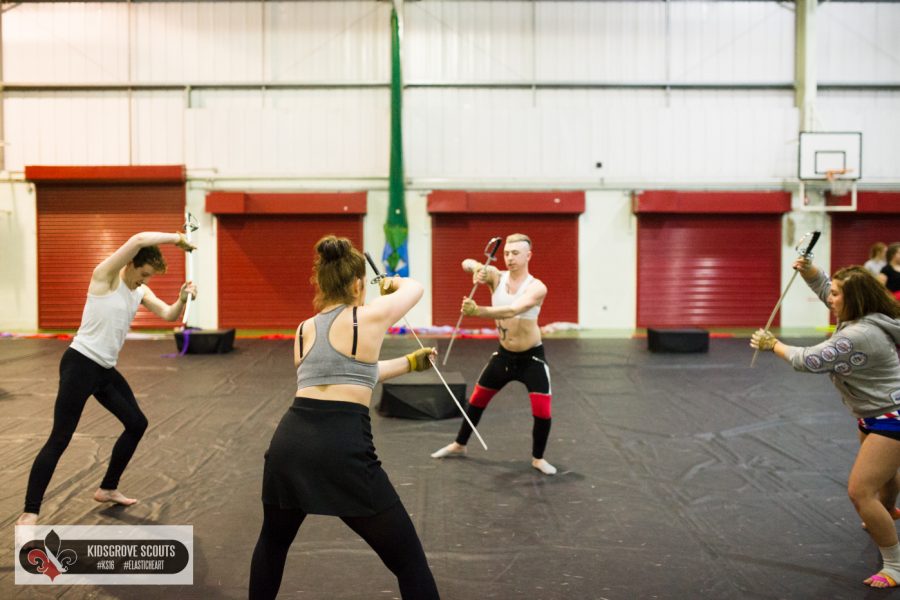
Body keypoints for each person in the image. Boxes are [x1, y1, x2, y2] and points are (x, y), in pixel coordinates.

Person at [248, 236, 440, 600]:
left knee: (272, 543)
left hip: (289, 446)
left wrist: (409, 364)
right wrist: (391, 284)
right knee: (410, 562)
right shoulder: (367, 317)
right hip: (341, 450)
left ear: (321, 283)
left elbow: (348, 374)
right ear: (356, 284)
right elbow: (415, 287)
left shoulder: (305, 328)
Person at [16, 231, 197, 526]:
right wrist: (177, 238)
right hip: (79, 365)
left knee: (137, 423)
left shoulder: (140, 292)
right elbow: (139, 239)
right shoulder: (104, 277)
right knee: (60, 438)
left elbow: (168, 315)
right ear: (131, 264)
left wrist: (181, 298)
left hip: (104, 370)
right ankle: (30, 512)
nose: (145, 281)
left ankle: (107, 488)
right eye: (145, 274)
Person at [750, 258, 900, 589]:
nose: (829, 298)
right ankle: (887, 510)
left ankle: (894, 564)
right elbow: (823, 286)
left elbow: (811, 360)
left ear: (853, 298)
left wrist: (771, 344)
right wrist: (809, 270)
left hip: (891, 417)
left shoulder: (859, 334)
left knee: (860, 492)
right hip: (875, 412)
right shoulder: (863, 314)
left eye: (834, 294)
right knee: (886, 477)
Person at [431, 233, 557, 475]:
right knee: (477, 399)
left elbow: (512, 310)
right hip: (504, 355)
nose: (510, 258)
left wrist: (477, 311)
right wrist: (475, 269)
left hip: (531, 358)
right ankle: (459, 444)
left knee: (542, 410)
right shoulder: (496, 276)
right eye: (507, 253)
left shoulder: (537, 287)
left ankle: (538, 459)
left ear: (528, 255)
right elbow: (466, 262)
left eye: (516, 253)